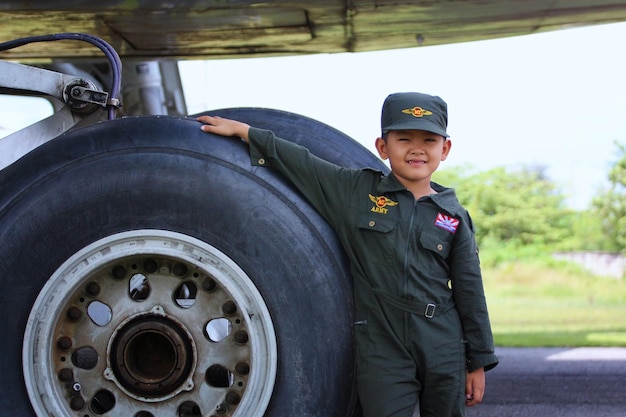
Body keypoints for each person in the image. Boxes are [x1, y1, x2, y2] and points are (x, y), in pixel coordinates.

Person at [197, 92, 498, 417]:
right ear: (383, 147)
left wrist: (477, 361)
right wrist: (246, 132)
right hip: (383, 344)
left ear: (445, 149)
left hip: (442, 342)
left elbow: (470, 292)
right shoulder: (356, 192)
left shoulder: (452, 216)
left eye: (429, 139)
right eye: (403, 138)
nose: (416, 148)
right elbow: (303, 163)